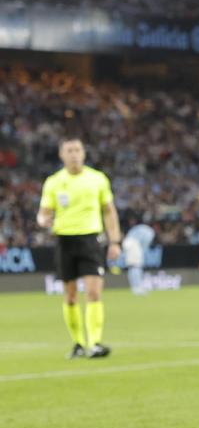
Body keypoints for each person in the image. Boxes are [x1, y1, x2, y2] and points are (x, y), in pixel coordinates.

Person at [37, 137, 121, 359]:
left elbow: (109, 210)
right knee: (71, 296)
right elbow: (44, 211)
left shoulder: (97, 179)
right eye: (69, 150)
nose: (74, 154)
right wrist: (42, 220)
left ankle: (94, 343)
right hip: (65, 240)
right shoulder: (53, 182)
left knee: (93, 292)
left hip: (90, 239)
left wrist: (114, 241)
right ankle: (78, 343)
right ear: (61, 155)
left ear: (83, 153)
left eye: (77, 150)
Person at [123, 223, 155, 295]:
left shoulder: (141, 228)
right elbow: (145, 243)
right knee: (136, 266)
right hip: (133, 244)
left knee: (133, 267)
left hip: (128, 243)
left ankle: (136, 287)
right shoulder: (150, 232)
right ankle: (137, 288)